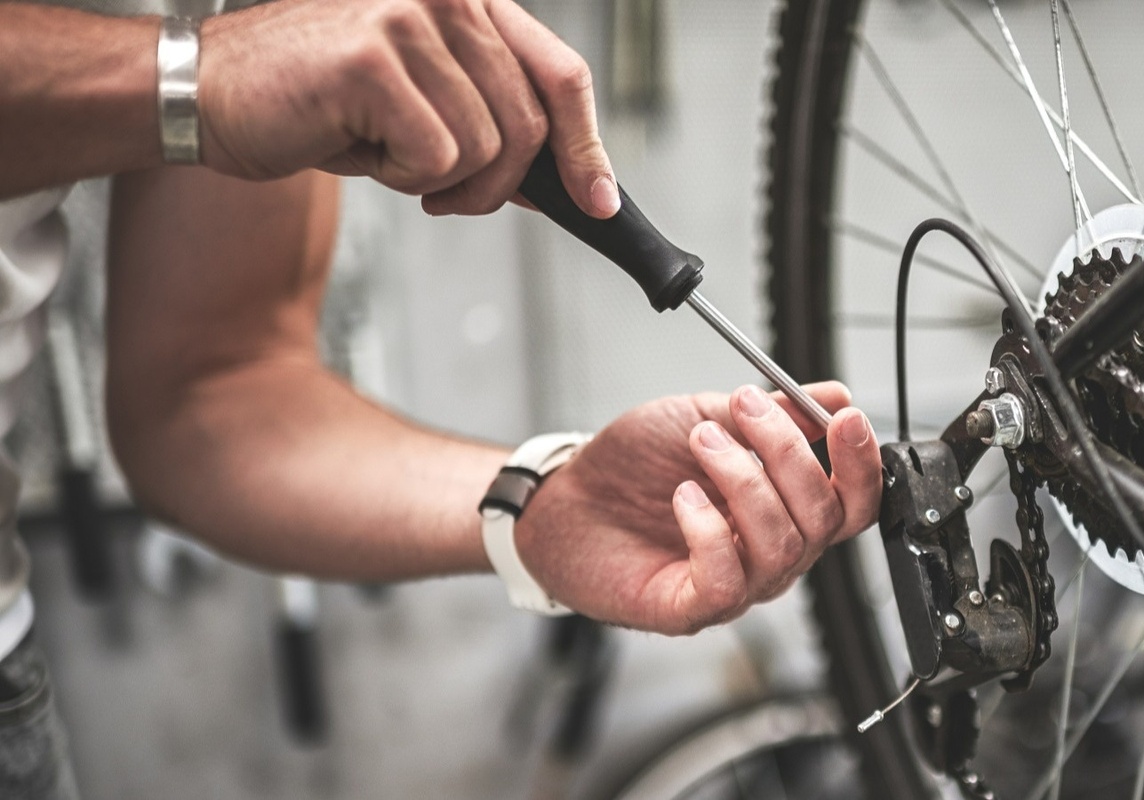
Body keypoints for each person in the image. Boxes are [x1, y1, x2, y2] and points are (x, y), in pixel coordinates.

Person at [0, 0, 884, 797]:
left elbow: (211, 398)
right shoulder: (206, 50)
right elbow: (201, 76)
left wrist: (544, 501)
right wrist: (187, 75)